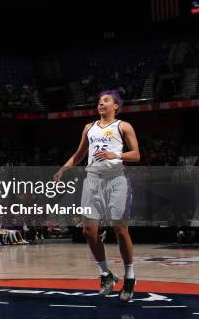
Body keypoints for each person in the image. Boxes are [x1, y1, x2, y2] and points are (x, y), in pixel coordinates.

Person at [54, 90, 140, 302]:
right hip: (92, 180)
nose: (101, 104)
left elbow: (136, 155)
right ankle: (106, 274)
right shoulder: (89, 128)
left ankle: (130, 276)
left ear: (116, 106)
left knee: (120, 229)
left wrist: (115, 154)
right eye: (99, 101)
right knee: (88, 231)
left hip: (116, 179)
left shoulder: (123, 126)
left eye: (106, 101)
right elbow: (79, 154)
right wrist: (63, 170)